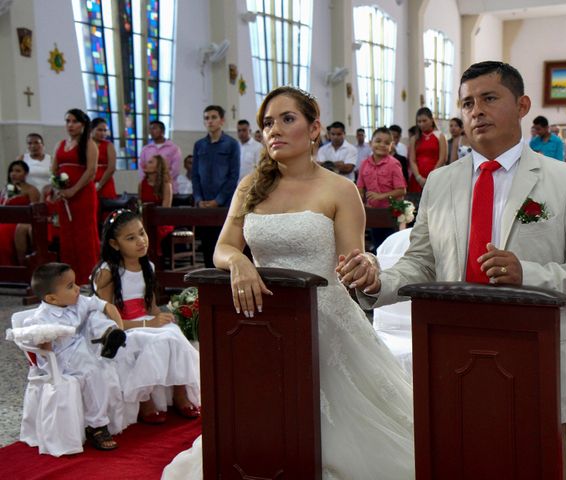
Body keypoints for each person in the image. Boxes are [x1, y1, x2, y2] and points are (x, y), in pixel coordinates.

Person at [339, 61, 566, 480]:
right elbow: (421, 263)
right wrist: (379, 281)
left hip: (533, 349)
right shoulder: (441, 182)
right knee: (463, 458)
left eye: (489, 98)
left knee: (536, 461)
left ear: (522, 105)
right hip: (453, 349)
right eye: (467, 103)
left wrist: (528, 273)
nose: (476, 111)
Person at [162, 86, 414, 479]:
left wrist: (364, 265)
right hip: (262, 320)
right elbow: (224, 247)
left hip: (325, 320)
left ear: (314, 129)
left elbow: (352, 259)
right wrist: (240, 263)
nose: (274, 130)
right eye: (267, 123)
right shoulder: (250, 187)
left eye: (287, 119)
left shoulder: (340, 189)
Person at [92, 209, 200, 424]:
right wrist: (147, 323)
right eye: (131, 238)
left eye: (142, 233)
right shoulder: (108, 272)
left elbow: (151, 308)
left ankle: (180, 392)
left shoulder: (147, 266)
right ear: (115, 244)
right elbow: (105, 319)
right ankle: (144, 399)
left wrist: (168, 317)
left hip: (145, 321)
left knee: (175, 336)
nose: (141, 241)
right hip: (122, 328)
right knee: (154, 340)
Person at [25, 262, 128, 450]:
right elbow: (44, 350)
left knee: (96, 314)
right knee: (94, 372)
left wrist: (119, 327)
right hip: (60, 358)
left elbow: (107, 306)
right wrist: (46, 339)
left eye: (75, 283)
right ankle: (97, 426)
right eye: (70, 286)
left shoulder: (78, 301)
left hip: (81, 346)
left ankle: (110, 334)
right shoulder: (40, 318)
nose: (78, 288)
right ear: (52, 298)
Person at [51, 108, 101, 284]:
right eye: (67, 121)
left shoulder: (89, 144)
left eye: (74, 121)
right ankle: (70, 277)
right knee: (67, 234)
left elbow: (91, 171)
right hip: (64, 197)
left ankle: (89, 275)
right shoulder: (60, 144)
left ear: (83, 124)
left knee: (84, 234)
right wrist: (56, 186)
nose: (70, 125)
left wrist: (74, 190)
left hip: (83, 195)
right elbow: (54, 169)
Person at [192, 105, 240, 268]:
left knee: (223, 246)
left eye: (213, 117)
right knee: (206, 247)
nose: (210, 121)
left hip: (224, 205)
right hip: (203, 205)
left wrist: (218, 201)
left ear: (221, 120)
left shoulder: (231, 144)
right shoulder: (199, 145)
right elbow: (195, 176)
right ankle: (208, 286)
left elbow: (233, 177)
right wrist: (199, 199)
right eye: (206, 118)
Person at [356, 127, 407, 250]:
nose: (382, 145)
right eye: (378, 141)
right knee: (377, 245)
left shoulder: (393, 164)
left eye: (387, 143)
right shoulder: (364, 164)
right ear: (370, 143)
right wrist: (361, 204)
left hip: (391, 213)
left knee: (390, 246)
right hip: (373, 212)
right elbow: (360, 188)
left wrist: (381, 196)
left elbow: (401, 190)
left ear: (391, 146)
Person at [0, 160, 40, 265]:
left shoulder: (31, 190)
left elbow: (35, 211)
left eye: (18, 171)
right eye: (12, 171)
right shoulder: (5, 189)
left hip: (19, 223)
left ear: (25, 174)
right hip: (4, 221)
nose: (14, 174)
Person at [407, 107, 447, 196]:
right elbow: (412, 160)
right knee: (417, 207)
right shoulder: (414, 138)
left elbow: (442, 158)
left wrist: (432, 177)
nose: (421, 124)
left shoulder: (439, 136)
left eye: (424, 121)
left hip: (436, 176)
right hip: (418, 178)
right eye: (419, 121)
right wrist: (418, 177)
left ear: (432, 120)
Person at [139, 154, 174, 256]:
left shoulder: (166, 184)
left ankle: (155, 258)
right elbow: (140, 205)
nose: (146, 164)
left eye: (150, 162)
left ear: (158, 166)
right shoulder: (142, 184)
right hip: (145, 219)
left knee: (155, 230)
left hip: (162, 221)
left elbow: (166, 209)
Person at [138, 120, 182, 191]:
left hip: (168, 186)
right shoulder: (146, 149)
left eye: (154, 128)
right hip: (150, 186)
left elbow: (175, 169)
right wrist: (148, 181)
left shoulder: (174, 148)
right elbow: (142, 167)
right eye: (150, 129)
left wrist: (161, 181)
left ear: (162, 131)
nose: (151, 131)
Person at [17, 132, 51, 197]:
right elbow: (16, 178)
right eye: (30, 143)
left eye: (36, 143)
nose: (33, 146)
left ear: (43, 144)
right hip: (27, 195)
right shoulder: (22, 158)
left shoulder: (51, 159)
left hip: (46, 196)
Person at [91, 118, 117, 200]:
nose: (103, 133)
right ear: (91, 129)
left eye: (105, 130)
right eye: (99, 130)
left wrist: (100, 184)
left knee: (106, 207)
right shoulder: (86, 145)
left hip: (105, 181)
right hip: (88, 180)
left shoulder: (108, 145)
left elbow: (111, 168)